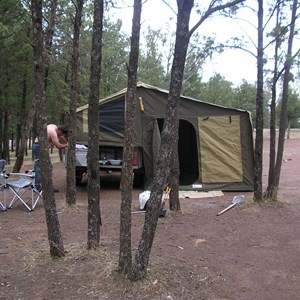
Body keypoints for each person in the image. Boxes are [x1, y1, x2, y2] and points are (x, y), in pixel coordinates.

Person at [32, 124, 68, 191]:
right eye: (61, 134)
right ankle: (38, 186)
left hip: (41, 147)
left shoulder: (54, 126)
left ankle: (47, 185)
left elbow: (61, 136)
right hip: (38, 147)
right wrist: (66, 145)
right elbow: (58, 146)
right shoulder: (53, 133)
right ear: (59, 131)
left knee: (48, 167)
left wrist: (66, 142)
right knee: (40, 167)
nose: (60, 136)